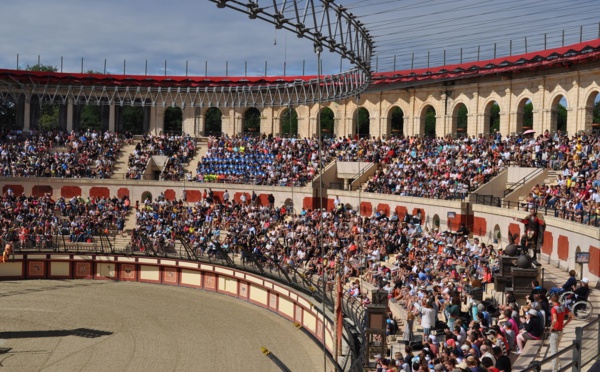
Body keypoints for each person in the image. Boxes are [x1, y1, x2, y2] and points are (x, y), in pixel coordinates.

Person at [549, 294, 572, 371]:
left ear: (552, 300)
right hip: (560, 331)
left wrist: (551, 327)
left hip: (555, 332)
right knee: (555, 350)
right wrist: (564, 324)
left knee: (554, 352)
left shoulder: (553, 309)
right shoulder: (563, 307)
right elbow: (572, 316)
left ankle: (555, 370)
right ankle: (559, 367)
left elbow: (555, 320)